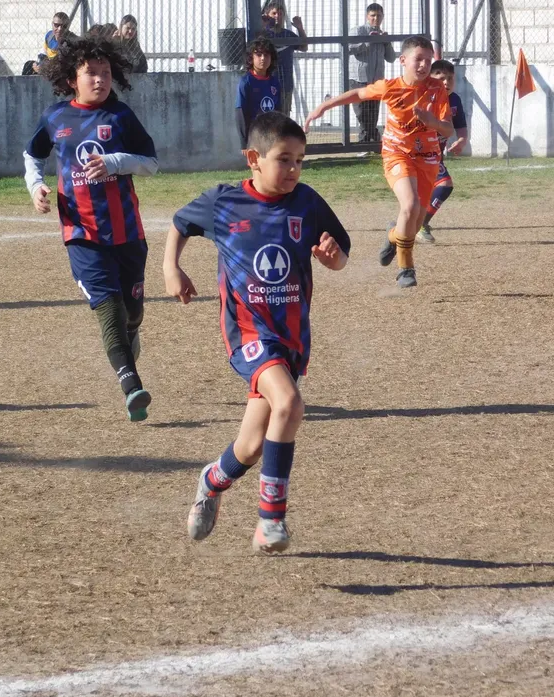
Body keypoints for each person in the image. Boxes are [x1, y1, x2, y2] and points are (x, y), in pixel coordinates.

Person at [164, 111, 350, 554]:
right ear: (253, 158)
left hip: (291, 339)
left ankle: (212, 480)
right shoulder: (224, 203)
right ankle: (271, 521)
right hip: (247, 333)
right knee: (289, 403)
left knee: (249, 447)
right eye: (284, 159)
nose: (293, 170)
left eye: (300, 161)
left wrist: (331, 257)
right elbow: (178, 223)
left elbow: (340, 251)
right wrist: (172, 267)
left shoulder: (306, 203)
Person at [23, 36, 159, 421]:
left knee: (132, 311)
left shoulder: (121, 117)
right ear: (72, 79)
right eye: (91, 74)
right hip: (82, 235)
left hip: (128, 234)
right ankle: (132, 386)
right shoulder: (55, 118)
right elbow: (32, 155)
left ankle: (133, 334)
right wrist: (36, 186)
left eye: (105, 73)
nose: (99, 80)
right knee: (109, 310)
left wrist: (116, 161)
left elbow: (151, 162)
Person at [304, 36, 452, 288]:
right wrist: (325, 106)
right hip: (397, 153)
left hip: (427, 158)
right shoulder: (390, 87)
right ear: (403, 60)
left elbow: (447, 129)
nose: (424, 65)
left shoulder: (437, 90)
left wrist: (432, 121)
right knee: (410, 205)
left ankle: (394, 235)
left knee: (414, 222)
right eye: (418, 59)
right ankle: (406, 269)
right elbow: (359, 94)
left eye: (428, 60)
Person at [418, 59, 468, 243]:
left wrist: (462, 140)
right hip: (418, 155)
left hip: (434, 157)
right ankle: (416, 225)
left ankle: (413, 225)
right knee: (443, 185)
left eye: (450, 78)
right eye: (441, 78)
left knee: (440, 188)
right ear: (430, 80)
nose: (446, 82)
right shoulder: (421, 98)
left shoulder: (455, 100)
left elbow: (461, 127)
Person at [349, 3, 396, 142]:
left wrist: (386, 42)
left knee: (373, 113)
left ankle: (369, 141)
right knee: (361, 112)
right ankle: (369, 140)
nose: (376, 18)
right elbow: (349, 49)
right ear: (367, 16)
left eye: (379, 16)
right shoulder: (358, 31)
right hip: (359, 79)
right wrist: (368, 42)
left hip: (377, 80)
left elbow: (391, 58)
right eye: (373, 16)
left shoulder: (382, 34)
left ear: (383, 17)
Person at [261, 0, 307, 117]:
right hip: (267, 84)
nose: (278, 16)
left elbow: (304, 47)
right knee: (268, 116)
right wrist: (263, 25)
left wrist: (300, 28)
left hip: (286, 84)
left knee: (284, 117)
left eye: (281, 14)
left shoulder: (288, 34)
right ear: (268, 15)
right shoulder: (264, 35)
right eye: (274, 13)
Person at [236, 37, 282, 153]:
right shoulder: (246, 82)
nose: (263, 58)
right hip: (255, 136)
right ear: (251, 58)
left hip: (272, 135)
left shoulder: (274, 82)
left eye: (266, 55)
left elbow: (279, 111)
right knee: (258, 168)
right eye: (259, 55)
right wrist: (244, 142)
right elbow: (240, 113)